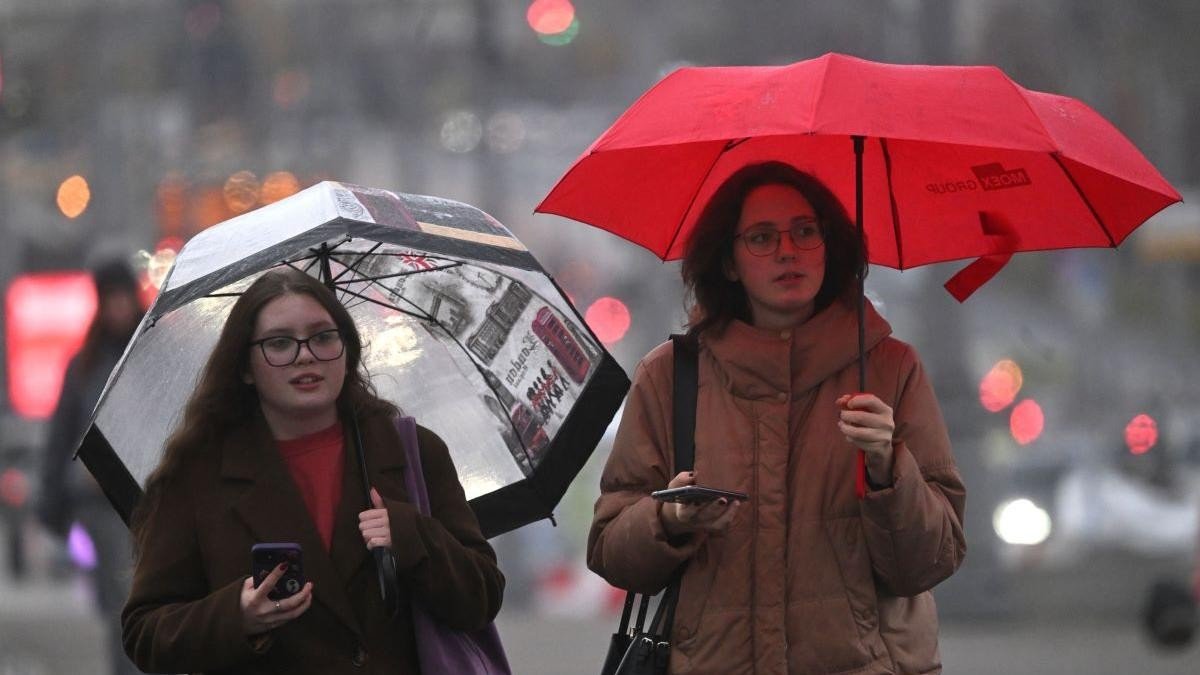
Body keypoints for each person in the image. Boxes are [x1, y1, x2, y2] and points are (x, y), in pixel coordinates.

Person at [587, 162, 966, 674]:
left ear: (830, 247)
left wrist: (887, 466)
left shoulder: (890, 370)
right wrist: (669, 519)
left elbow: (929, 562)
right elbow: (610, 550)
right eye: (762, 238)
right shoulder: (669, 376)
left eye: (806, 232)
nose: (788, 251)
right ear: (728, 262)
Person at [122, 268, 504, 674]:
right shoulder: (198, 475)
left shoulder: (412, 452)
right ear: (246, 367)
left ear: (347, 352)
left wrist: (412, 536)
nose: (305, 355)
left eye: (323, 337)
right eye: (280, 343)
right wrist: (238, 617)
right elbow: (144, 632)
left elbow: (482, 597)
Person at [38, 258, 144, 675]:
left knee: (147, 604)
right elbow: (62, 435)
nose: (118, 307)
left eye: (123, 296)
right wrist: (53, 500)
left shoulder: (149, 353)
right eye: (110, 298)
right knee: (122, 606)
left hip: (150, 500)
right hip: (101, 505)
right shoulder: (84, 365)